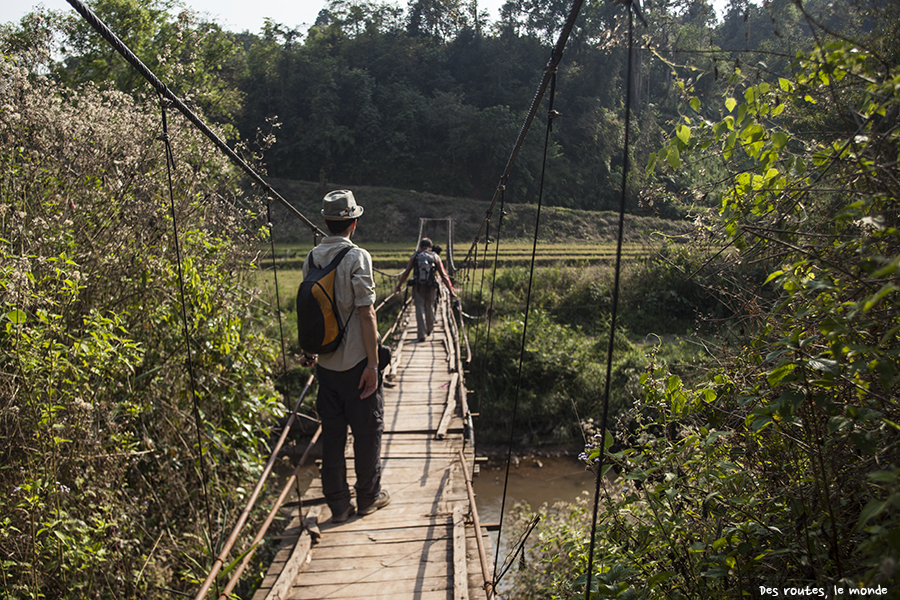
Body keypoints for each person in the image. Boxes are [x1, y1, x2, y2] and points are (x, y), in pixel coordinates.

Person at [299, 190, 390, 522]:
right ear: (354, 222)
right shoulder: (357, 257)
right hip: (355, 366)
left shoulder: (312, 258)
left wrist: (310, 350)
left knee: (333, 436)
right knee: (367, 433)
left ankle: (338, 505)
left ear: (325, 221)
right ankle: (368, 498)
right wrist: (372, 364)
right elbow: (366, 315)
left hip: (325, 366)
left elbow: (312, 312)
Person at [395, 238, 456, 342]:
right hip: (431, 285)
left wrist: (400, 284)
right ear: (431, 247)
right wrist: (451, 291)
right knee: (430, 306)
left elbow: (406, 272)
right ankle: (429, 328)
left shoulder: (415, 255)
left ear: (420, 246)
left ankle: (421, 334)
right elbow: (443, 275)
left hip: (418, 285)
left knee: (419, 308)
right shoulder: (435, 256)